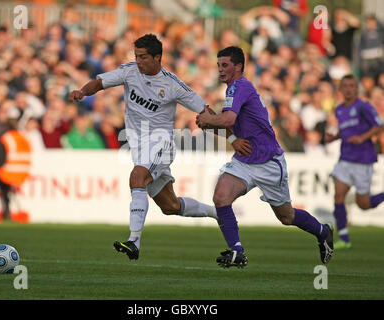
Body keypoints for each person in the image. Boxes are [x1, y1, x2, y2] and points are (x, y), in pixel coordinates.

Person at [69, 34, 249, 260]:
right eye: (136, 56)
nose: (139, 61)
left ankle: (134, 241)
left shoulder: (172, 85)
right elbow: (100, 82)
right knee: (170, 206)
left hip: (161, 143)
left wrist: (232, 140)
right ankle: (217, 213)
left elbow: (207, 113)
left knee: (137, 178)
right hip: (138, 147)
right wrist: (83, 92)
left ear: (157, 57)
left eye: (143, 57)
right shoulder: (129, 71)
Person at [196, 46, 334, 268]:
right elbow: (228, 124)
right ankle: (237, 251)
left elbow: (227, 120)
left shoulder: (239, 86)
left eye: (225, 65)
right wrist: (217, 128)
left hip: (269, 161)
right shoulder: (233, 89)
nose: (220, 70)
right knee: (221, 198)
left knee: (286, 217)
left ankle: (323, 231)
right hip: (245, 158)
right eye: (218, 65)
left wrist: (208, 120)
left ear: (238, 66)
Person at [325, 74, 384, 249]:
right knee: (338, 195)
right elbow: (345, 132)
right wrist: (334, 137)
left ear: (356, 89)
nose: (349, 89)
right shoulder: (339, 109)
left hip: (363, 160)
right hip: (345, 159)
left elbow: (380, 125)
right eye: (346, 86)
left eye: (352, 86)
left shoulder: (363, 106)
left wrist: (362, 137)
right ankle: (344, 237)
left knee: (363, 204)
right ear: (341, 90)